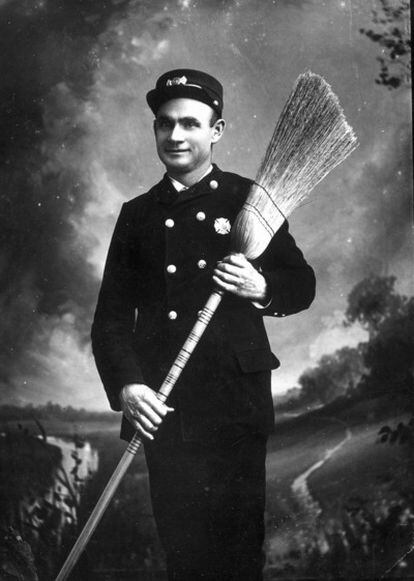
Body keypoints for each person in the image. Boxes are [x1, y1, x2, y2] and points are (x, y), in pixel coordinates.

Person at [91, 68, 316, 581]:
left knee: (238, 552)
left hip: (237, 401)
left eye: (190, 124)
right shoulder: (138, 215)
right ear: (154, 130)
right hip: (165, 407)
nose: (175, 136)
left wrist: (259, 287)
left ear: (217, 131)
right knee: (184, 551)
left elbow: (300, 284)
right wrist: (127, 386)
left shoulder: (250, 199)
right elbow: (109, 321)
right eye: (165, 124)